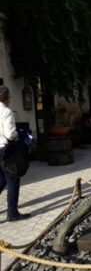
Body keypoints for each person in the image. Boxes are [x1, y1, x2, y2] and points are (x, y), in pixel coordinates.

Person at [0, 85, 31, 222]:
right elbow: (10, 134)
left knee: (1, 180)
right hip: (5, 150)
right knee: (13, 179)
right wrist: (20, 134)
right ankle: (12, 213)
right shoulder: (6, 112)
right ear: (7, 98)